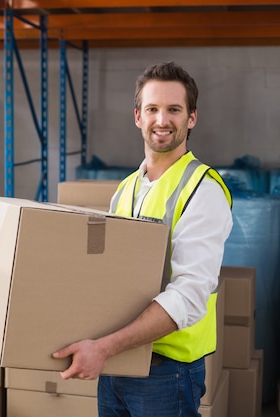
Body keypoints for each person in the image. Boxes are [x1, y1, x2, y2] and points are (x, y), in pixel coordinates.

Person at [52, 61, 233, 416]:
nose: (162, 120)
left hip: (167, 371)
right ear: (138, 116)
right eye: (152, 109)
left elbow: (190, 295)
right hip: (117, 362)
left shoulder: (202, 190)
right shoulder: (126, 189)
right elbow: (109, 276)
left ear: (191, 118)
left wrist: (105, 347)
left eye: (174, 110)